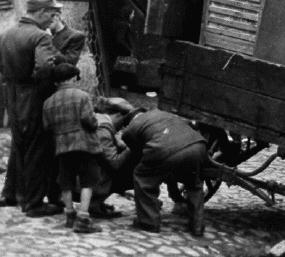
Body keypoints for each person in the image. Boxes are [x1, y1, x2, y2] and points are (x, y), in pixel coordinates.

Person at [0, 0, 63, 216]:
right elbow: (45, 68)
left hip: (12, 95)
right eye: (52, 13)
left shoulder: (6, 33)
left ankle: (9, 194)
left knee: (19, 143)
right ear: (41, 12)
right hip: (34, 95)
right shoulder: (40, 37)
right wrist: (49, 78)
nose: (53, 18)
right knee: (37, 147)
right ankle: (33, 203)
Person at [121, 108, 206, 236]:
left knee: (142, 176)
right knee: (194, 184)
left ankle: (148, 221)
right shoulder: (162, 113)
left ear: (128, 122)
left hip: (166, 149)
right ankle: (198, 226)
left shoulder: (130, 129)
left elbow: (138, 155)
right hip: (198, 145)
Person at [42, 63, 102, 233]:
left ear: (56, 82)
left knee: (65, 182)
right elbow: (88, 120)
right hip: (84, 145)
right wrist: (96, 122)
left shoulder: (48, 102)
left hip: (62, 147)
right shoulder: (82, 96)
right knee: (87, 181)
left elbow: (47, 127)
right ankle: (83, 218)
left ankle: (70, 215)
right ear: (73, 78)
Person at [86, 98, 135, 218]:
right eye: (124, 122)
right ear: (118, 115)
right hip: (85, 178)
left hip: (82, 172)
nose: (124, 127)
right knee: (131, 171)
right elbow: (114, 163)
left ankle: (97, 201)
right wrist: (132, 148)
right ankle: (94, 204)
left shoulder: (98, 119)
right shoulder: (103, 129)